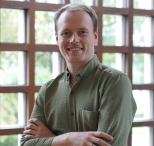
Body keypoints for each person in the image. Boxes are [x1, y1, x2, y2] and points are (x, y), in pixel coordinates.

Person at [20, 3, 137, 146]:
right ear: (57, 39)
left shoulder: (115, 82)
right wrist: (67, 139)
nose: (74, 40)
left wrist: (51, 139)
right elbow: (26, 144)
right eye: (66, 33)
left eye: (82, 32)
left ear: (95, 37)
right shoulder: (48, 90)